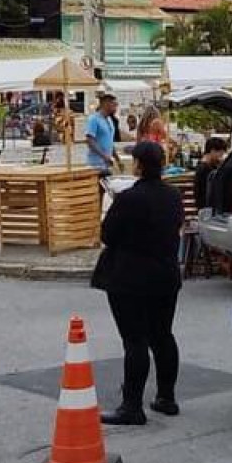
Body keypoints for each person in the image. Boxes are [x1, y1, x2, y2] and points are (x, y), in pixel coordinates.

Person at [93, 140, 184, 425]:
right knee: (163, 335)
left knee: (134, 340)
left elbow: (108, 234)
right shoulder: (173, 196)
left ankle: (132, 405)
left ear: (139, 165)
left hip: (130, 276)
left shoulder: (129, 198)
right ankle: (166, 397)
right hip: (166, 275)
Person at [84, 90, 122, 184]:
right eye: (114, 104)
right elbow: (90, 141)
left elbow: (109, 141)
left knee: (107, 191)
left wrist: (117, 158)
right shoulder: (94, 119)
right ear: (106, 104)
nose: (116, 108)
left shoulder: (109, 120)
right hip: (96, 164)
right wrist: (104, 156)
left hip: (106, 164)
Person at [192, 135, 227, 211]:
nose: (221, 157)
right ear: (213, 151)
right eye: (220, 154)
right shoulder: (204, 169)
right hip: (207, 209)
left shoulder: (207, 166)